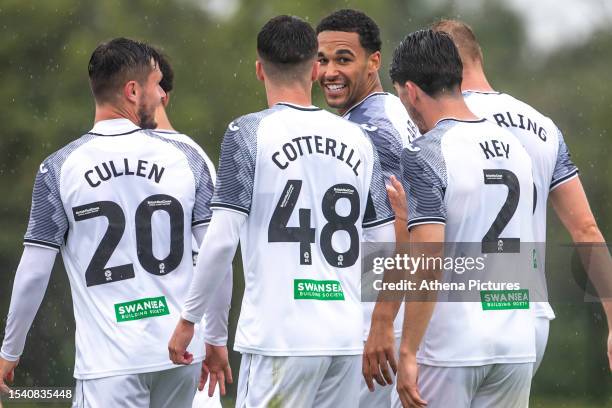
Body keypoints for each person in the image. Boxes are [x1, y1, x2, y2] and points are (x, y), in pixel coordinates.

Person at [168, 15, 396, 408]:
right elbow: (382, 239)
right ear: (313, 69)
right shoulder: (357, 138)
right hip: (342, 341)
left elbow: (221, 240)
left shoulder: (248, 132)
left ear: (259, 70)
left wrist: (191, 320)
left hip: (279, 338)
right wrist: (369, 324)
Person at [0, 37, 215, 408]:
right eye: (155, 84)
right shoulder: (186, 157)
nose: (161, 95)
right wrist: (215, 337)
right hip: (179, 354)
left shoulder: (60, 167)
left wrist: (10, 350)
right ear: (133, 91)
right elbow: (215, 255)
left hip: (111, 363)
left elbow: (34, 272)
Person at [429, 18, 612, 374]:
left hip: (459, 316)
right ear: (477, 57)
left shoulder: (439, 124)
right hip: (528, 318)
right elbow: (586, 230)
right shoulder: (543, 126)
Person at [387, 29, 538, 407]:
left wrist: (407, 351)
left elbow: (429, 257)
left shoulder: (426, 152)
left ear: (411, 91)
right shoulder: (515, 148)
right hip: (516, 341)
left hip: (452, 348)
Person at [315, 9, 418, 407]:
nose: (329, 72)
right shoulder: (394, 110)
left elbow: (404, 230)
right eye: (322, 60)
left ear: (373, 61)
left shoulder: (365, 131)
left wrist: (381, 321)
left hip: (375, 319)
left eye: (343, 59)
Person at [152, 51, 226, 408]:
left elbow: (216, 253)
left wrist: (212, 336)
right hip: (140, 347)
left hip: (181, 347)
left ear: (161, 93)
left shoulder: (191, 158)